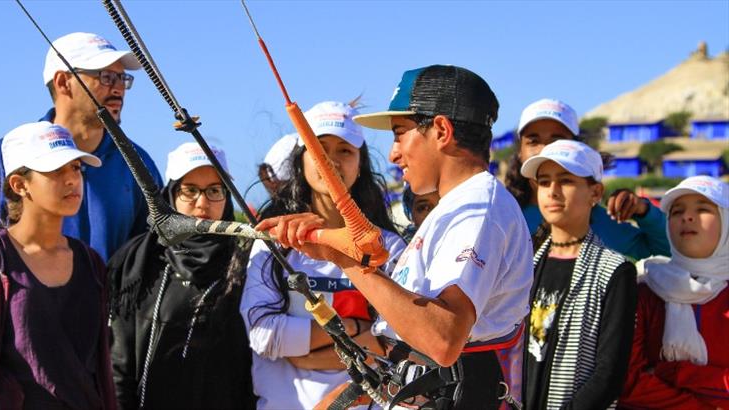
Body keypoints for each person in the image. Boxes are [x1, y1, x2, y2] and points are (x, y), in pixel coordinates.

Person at [258, 65, 534, 408]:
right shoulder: (458, 208)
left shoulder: (478, 210)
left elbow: (442, 339)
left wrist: (344, 259)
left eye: (399, 133)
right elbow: (413, 341)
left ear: (442, 130)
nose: (393, 153)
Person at [240, 100, 406, 409]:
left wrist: (310, 351)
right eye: (319, 148)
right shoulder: (274, 240)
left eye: (345, 150)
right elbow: (264, 337)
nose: (330, 161)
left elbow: (401, 342)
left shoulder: (390, 247)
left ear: (361, 163)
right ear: (301, 160)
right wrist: (358, 332)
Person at [0, 122, 115, 410]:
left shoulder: (91, 263)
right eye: (55, 170)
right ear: (19, 184)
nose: (71, 180)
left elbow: (101, 368)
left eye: (76, 168)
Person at [0, 32, 162, 263]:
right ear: (63, 82)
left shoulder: (139, 164)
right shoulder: (0, 159)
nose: (118, 89)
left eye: (122, 78)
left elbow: (154, 254)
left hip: (114, 300)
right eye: (106, 77)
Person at [108, 142, 255, 409]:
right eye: (190, 191)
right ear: (170, 194)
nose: (202, 203)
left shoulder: (249, 261)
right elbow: (118, 364)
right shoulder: (137, 261)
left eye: (214, 190)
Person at [519, 140, 637, 409]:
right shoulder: (525, 265)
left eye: (566, 181)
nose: (553, 191)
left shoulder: (615, 271)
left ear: (595, 192)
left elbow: (609, 374)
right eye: (545, 182)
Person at [504, 98, 669, 260]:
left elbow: (666, 252)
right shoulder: (502, 214)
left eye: (557, 140)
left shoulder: (597, 219)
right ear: (520, 152)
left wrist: (644, 211)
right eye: (534, 141)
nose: (547, 149)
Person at [619, 176, 729, 409]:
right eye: (677, 211)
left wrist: (676, 372)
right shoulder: (645, 292)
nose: (687, 217)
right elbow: (629, 382)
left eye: (703, 209)